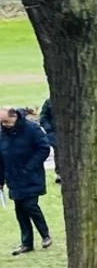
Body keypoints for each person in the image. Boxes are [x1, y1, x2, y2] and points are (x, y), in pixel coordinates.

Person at [1, 107, 52, 255]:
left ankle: (45, 235)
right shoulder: (3, 133)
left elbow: (43, 148)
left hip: (30, 176)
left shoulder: (31, 129)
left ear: (14, 116)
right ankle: (26, 243)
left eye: (6, 121)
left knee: (30, 205)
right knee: (20, 210)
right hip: (13, 177)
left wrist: (29, 167)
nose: (4, 125)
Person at [38, 98, 57, 185]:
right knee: (59, 151)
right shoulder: (49, 102)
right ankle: (60, 172)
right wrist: (49, 129)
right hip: (54, 132)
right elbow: (43, 117)